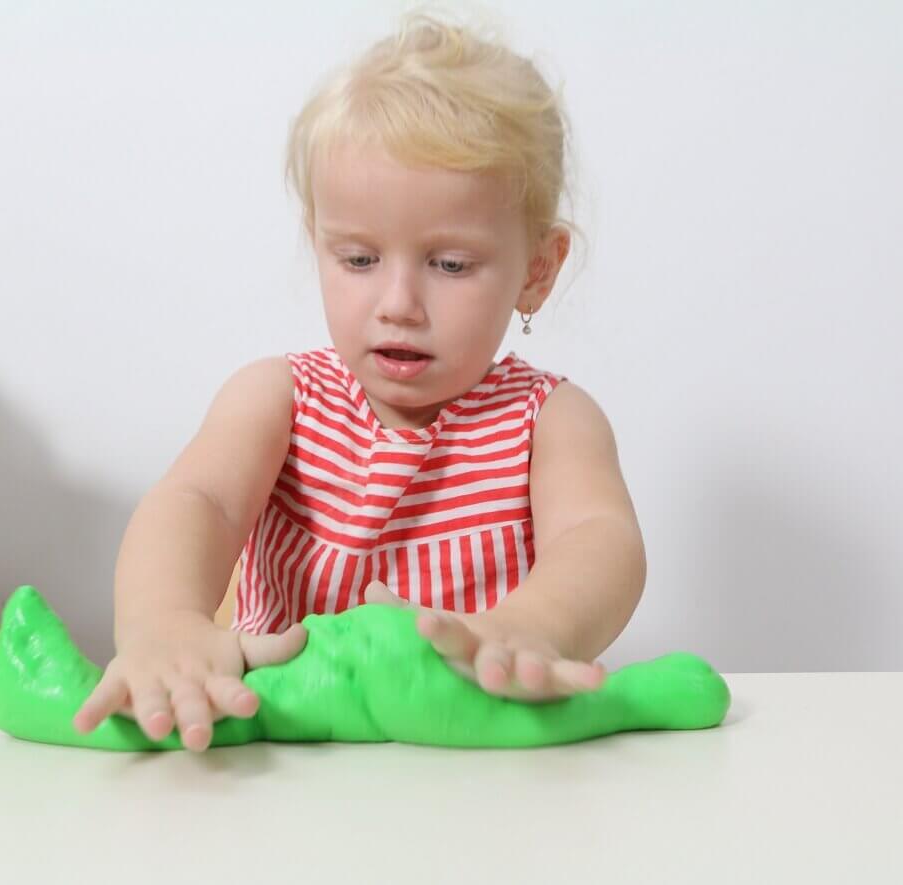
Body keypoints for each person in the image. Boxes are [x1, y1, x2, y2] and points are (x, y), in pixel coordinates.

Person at [74, 11, 646, 752]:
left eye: (450, 265)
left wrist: (534, 627)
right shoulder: (277, 399)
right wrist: (164, 622)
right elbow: (197, 503)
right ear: (319, 243)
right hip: (280, 757)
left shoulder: (550, 421)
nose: (398, 304)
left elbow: (598, 540)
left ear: (536, 270)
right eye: (359, 259)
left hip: (478, 767)